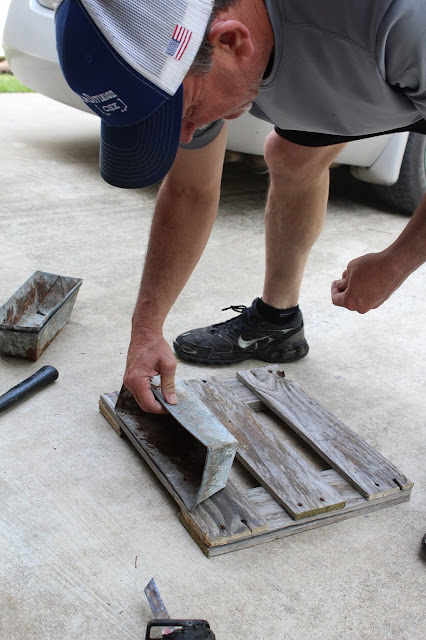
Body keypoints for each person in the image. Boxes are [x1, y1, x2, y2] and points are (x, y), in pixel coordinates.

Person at [56, 0, 426, 414]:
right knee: (289, 155)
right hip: (334, 61)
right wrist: (147, 329)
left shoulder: (401, 20)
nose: (186, 134)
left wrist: (397, 261)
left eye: (187, 112)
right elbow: (189, 191)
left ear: (230, 40)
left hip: (390, 62)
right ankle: (277, 321)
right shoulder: (199, 42)